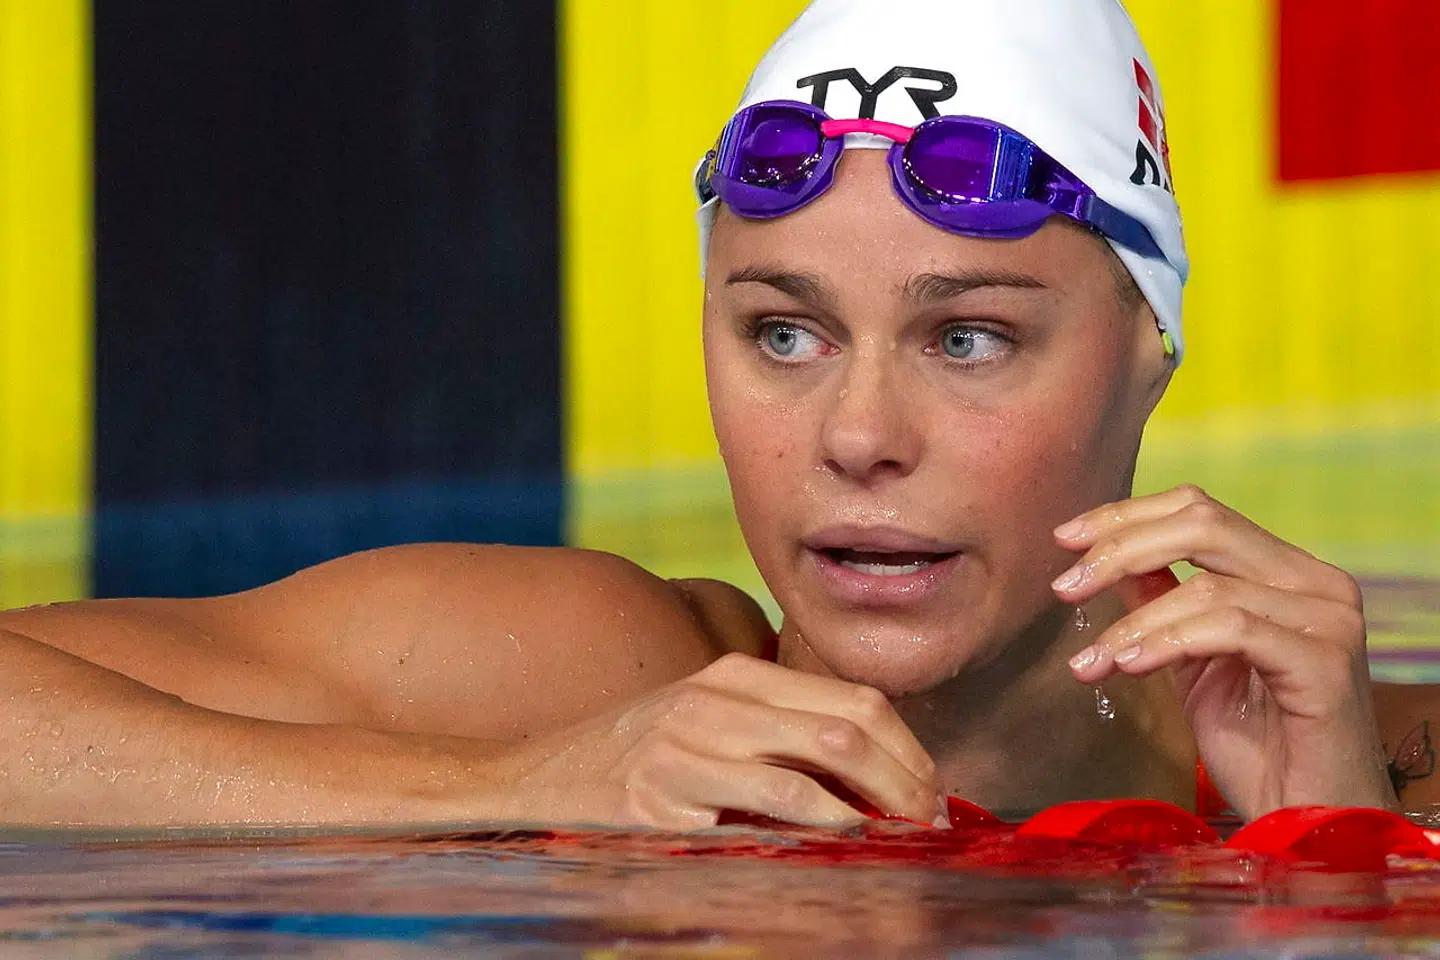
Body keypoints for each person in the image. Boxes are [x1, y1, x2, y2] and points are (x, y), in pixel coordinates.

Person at [0, 0, 1431, 829]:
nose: (859, 434)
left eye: (970, 335)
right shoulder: (588, 678)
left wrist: (1333, 861)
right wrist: (526, 777)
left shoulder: (1374, 754)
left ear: (1151, 349)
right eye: (784, 331)